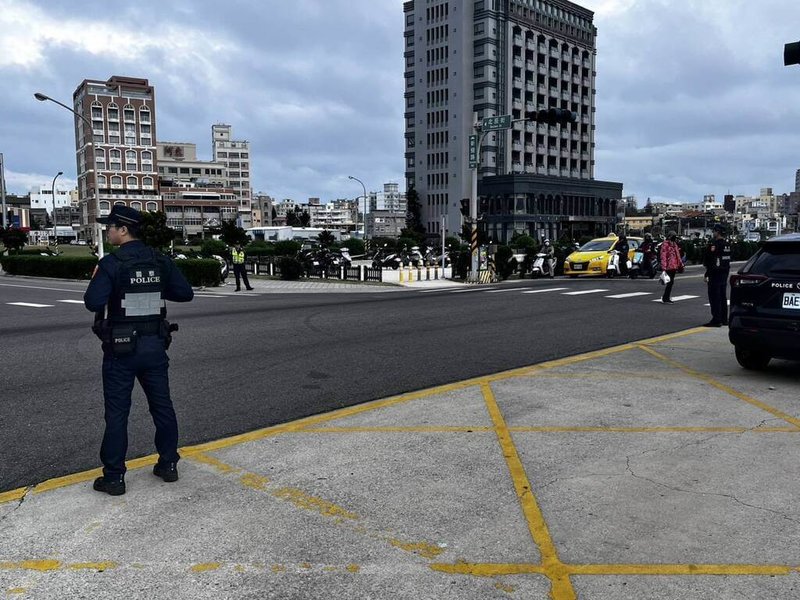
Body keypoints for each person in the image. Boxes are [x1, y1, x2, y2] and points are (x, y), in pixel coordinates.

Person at [84, 206, 194, 496]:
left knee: (117, 413)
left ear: (123, 230)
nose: (107, 231)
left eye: (110, 227)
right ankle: (169, 464)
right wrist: (153, 287)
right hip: (155, 347)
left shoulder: (111, 263)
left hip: (121, 350)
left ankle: (114, 478)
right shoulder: (160, 260)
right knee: (162, 407)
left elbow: (93, 302)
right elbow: (185, 293)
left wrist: (109, 283)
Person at [703, 223, 732, 327]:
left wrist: (707, 273)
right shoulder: (727, 244)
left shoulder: (715, 245)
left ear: (717, 232)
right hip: (724, 273)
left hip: (715, 273)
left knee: (714, 297)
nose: (713, 232)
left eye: (714, 231)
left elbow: (710, 260)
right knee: (722, 297)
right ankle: (724, 319)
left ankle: (716, 319)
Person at [659, 231, 682, 304]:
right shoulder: (665, 244)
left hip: (674, 266)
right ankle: (666, 298)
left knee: (671, 283)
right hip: (668, 266)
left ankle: (666, 297)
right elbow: (663, 256)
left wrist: (680, 264)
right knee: (670, 282)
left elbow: (677, 255)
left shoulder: (674, 244)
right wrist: (664, 267)